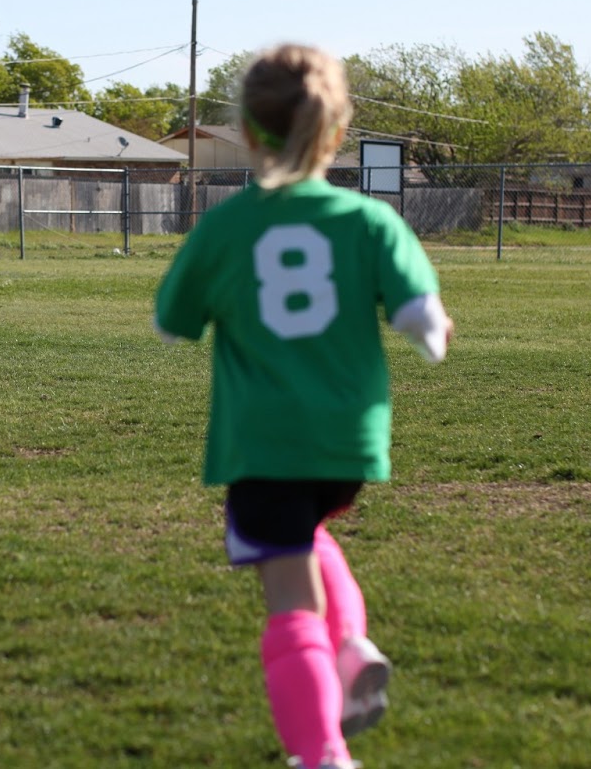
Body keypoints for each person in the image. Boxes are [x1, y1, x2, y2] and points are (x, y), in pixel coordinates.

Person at [154, 44, 453, 769]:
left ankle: (322, 755)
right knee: (308, 531)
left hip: (263, 440)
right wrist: (433, 329)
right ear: (336, 131)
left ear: (247, 134)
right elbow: (425, 326)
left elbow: (173, 321)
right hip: (349, 442)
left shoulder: (227, 228)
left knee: (288, 594)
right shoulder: (370, 221)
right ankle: (350, 642)